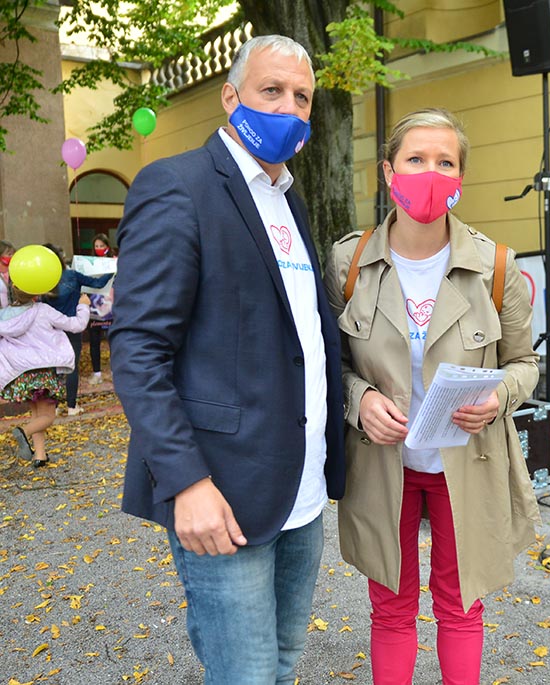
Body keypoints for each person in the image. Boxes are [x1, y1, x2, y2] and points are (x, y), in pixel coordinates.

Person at [109, 35, 346, 684]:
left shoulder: (289, 198)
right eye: (272, 91)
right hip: (222, 492)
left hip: (301, 491)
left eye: (302, 97)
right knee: (245, 675)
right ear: (230, 96)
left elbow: (299, 337)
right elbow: (138, 349)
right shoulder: (177, 185)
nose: (289, 108)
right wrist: (186, 482)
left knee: (282, 663)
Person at [323, 107, 540, 685]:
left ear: (461, 176)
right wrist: (359, 400)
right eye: (416, 159)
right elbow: (329, 364)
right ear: (388, 171)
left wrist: (499, 397)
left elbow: (525, 364)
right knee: (391, 607)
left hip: (466, 461)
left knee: (461, 605)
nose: (430, 173)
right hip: (382, 463)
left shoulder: (495, 266)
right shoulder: (349, 262)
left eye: (445, 162)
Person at [1, 284, 90, 467]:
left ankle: (40, 455)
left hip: (23, 375)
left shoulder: (6, 316)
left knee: (37, 414)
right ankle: (23, 432)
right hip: (44, 372)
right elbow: (76, 325)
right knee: (48, 416)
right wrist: (83, 306)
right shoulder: (43, 310)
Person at [40, 243, 113, 416]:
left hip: (52, 328)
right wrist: (112, 270)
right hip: (73, 326)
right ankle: (72, 406)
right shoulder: (72, 275)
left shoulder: (43, 279)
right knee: (71, 367)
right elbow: (98, 283)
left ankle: (55, 406)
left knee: (54, 367)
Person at [85, 233, 116, 386]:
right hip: (93, 308)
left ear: (107, 246)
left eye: (101, 246)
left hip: (111, 307)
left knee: (114, 341)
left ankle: (115, 372)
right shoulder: (90, 264)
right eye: (96, 246)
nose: (98, 248)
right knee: (94, 341)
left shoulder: (115, 262)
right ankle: (97, 373)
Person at [0, 239, 14, 308]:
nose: (12, 256)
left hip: (12, 310)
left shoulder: (14, 270)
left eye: (12, 254)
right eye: (9, 254)